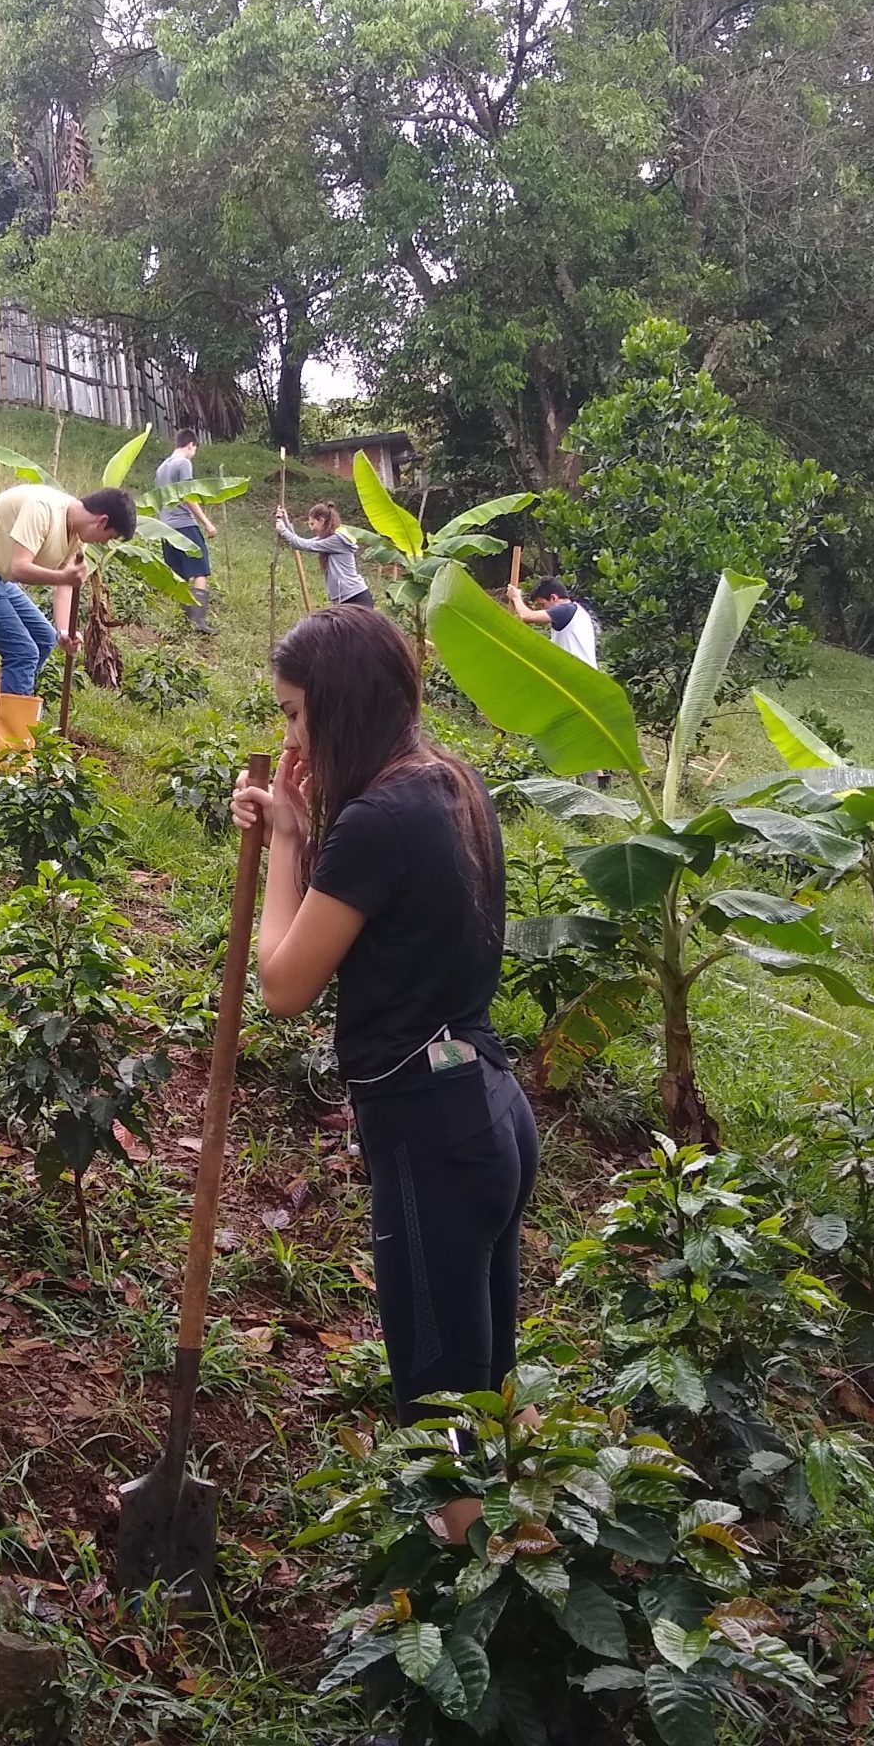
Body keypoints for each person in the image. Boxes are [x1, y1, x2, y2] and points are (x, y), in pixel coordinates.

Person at [231, 604, 540, 1419]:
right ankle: (536, 1539)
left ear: (338, 706)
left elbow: (284, 986)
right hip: (493, 1111)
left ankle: (458, 1547)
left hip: (433, 1137)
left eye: (296, 714)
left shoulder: (375, 823)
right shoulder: (449, 780)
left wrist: (288, 848)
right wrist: (298, 827)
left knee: (440, 1412)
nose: (290, 740)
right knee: (493, 1388)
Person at [0, 481, 137, 751]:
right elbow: (20, 568)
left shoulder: (77, 536)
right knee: (22, 651)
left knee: (44, 638)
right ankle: (14, 755)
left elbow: (66, 585)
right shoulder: (43, 509)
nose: (105, 543)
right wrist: (62, 576)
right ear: (102, 521)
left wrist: (64, 631)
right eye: (110, 537)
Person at [153, 427, 220, 633]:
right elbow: (188, 496)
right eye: (194, 449)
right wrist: (207, 523)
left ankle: (181, 620)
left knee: (179, 573)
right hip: (184, 524)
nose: (194, 453)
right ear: (190, 445)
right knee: (200, 569)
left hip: (166, 526)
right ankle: (197, 621)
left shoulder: (162, 467)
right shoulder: (184, 463)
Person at [275, 501, 372, 606]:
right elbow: (304, 542)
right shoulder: (329, 537)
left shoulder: (336, 539)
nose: (311, 528)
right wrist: (285, 521)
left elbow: (305, 545)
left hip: (354, 597)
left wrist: (283, 530)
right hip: (343, 598)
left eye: (312, 524)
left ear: (321, 520)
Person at [506, 574, 598, 665]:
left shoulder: (565, 610)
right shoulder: (574, 614)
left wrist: (515, 597)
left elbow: (527, 616)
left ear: (553, 598)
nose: (543, 609)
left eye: (543, 604)